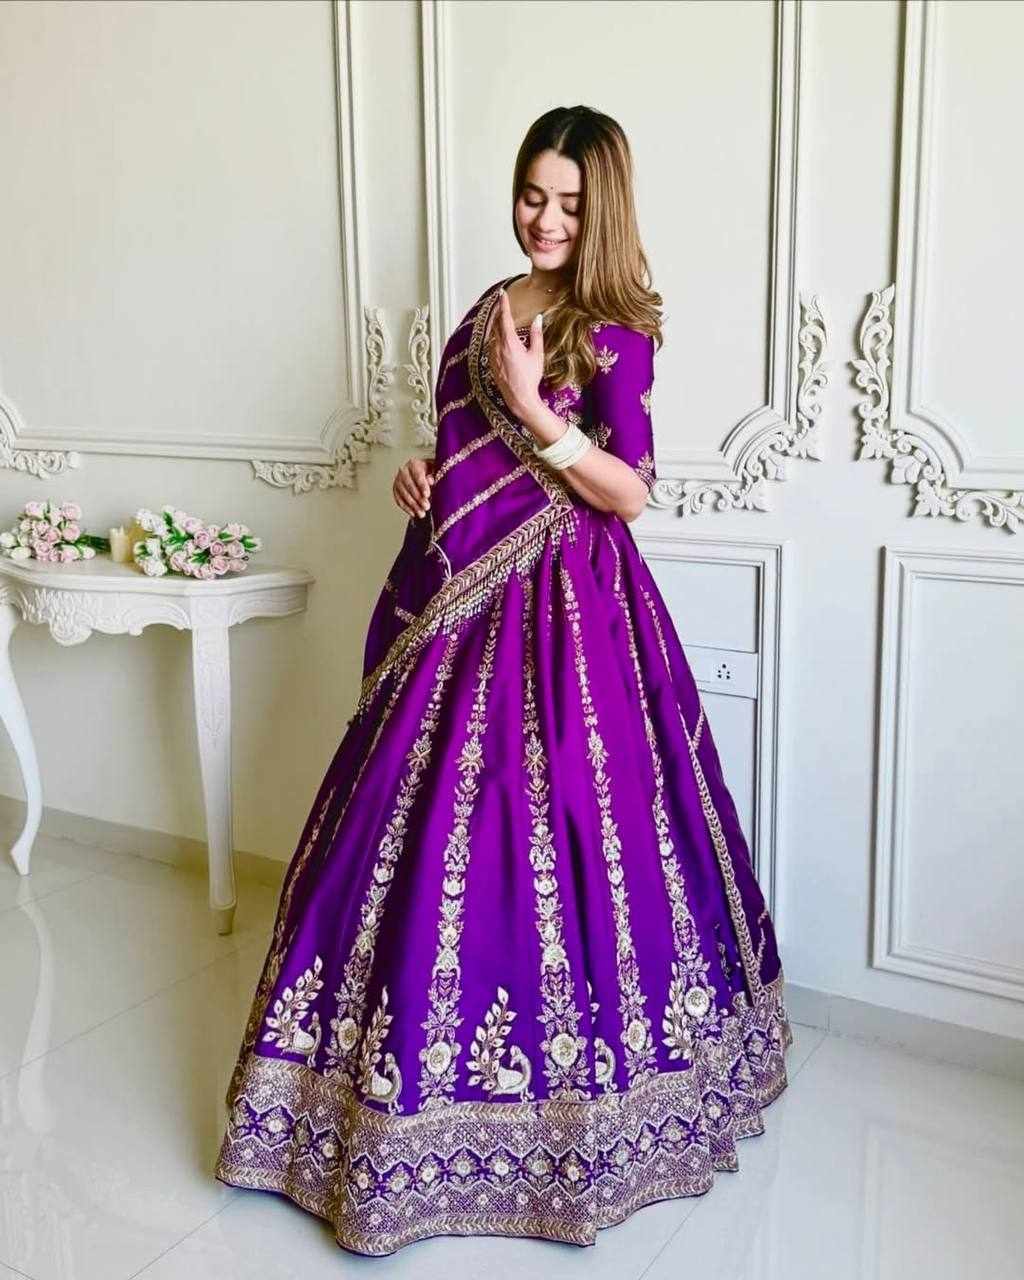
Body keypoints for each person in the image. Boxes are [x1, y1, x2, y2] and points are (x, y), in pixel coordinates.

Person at [215, 104, 792, 1257]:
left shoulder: (614, 324)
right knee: (416, 832)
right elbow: (457, 448)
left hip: (573, 616)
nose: (544, 217)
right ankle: (359, 1109)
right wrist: (421, 473)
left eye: (569, 202)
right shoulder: (487, 311)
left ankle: (572, 1124)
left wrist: (534, 410)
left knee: (569, 825)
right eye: (533, 193)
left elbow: (630, 489)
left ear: (602, 208)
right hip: (460, 605)